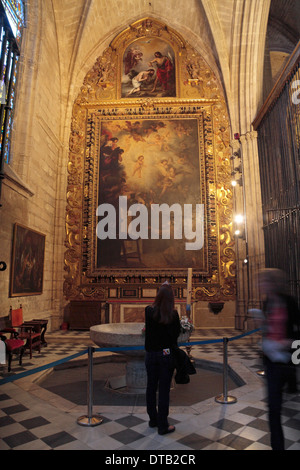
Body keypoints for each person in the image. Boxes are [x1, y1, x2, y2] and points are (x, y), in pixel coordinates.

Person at [257, 268, 300, 450]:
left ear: (272, 283)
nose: (261, 285)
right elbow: (269, 328)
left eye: (264, 281)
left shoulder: (289, 302)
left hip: (287, 358)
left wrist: (286, 343)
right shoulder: (267, 302)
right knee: (273, 410)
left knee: (279, 407)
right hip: (272, 361)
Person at [144, 282, 181, 435]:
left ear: (157, 296)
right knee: (164, 390)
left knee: (151, 387)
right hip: (166, 355)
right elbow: (175, 335)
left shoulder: (149, 311)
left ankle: (153, 419)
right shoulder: (173, 315)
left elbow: (149, 329)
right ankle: (163, 425)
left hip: (151, 354)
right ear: (171, 298)